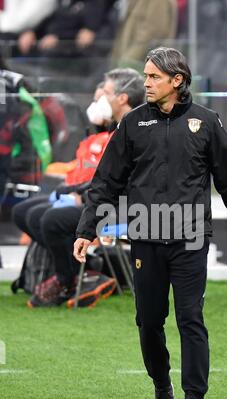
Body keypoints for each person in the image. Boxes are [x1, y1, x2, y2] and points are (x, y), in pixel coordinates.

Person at [74, 47, 227, 399]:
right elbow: (106, 183)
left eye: (153, 77)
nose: (145, 83)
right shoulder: (131, 124)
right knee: (149, 321)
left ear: (176, 80)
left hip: (191, 238)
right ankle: (162, 387)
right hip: (145, 238)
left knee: (190, 318)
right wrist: (86, 229)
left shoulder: (206, 122)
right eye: (145, 76)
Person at [12, 68, 145, 308]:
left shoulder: (137, 130)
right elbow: (105, 175)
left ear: (122, 98)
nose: (99, 95)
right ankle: (85, 272)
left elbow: (123, 182)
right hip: (106, 199)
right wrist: (77, 191)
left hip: (127, 206)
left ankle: (67, 279)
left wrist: (83, 197)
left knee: (51, 219)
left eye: (105, 90)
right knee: (25, 212)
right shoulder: (117, 128)